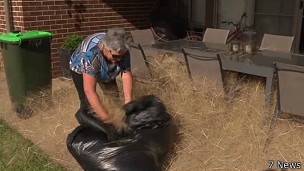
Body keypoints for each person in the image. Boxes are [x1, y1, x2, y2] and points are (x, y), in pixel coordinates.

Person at [69, 28, 133, 123]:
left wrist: (128, 105)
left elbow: (126, 74)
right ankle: (87, 127)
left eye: (122, 56)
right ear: (105, 48)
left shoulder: (122, 50)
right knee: (87, 104)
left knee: (114, 98)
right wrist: (108, 120)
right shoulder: (90, 56)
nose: (119, 60)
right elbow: (90, 91)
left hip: (104, 64)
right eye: (115, 56)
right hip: (80, 68)